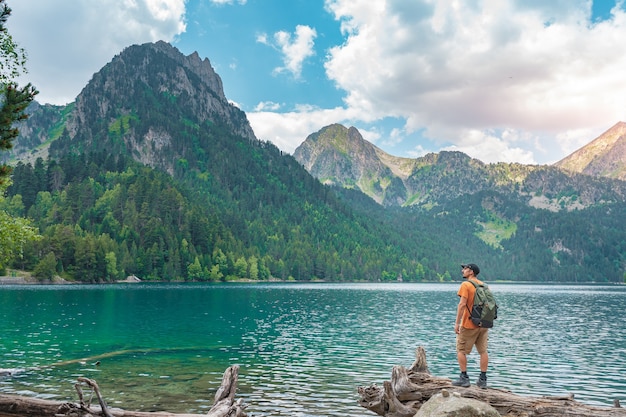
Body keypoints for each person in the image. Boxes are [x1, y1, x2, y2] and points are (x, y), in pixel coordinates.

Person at [452, 263, 489, 389]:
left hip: (469, 323)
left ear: (471, 272)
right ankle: (483, 380)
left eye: (465, 268)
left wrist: (457, 323)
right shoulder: (484, 285)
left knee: (461, 350)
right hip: (484, 323)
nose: (463, 270)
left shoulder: (466, 285)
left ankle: (464, 378)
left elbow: (462, 305)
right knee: (483, 351)